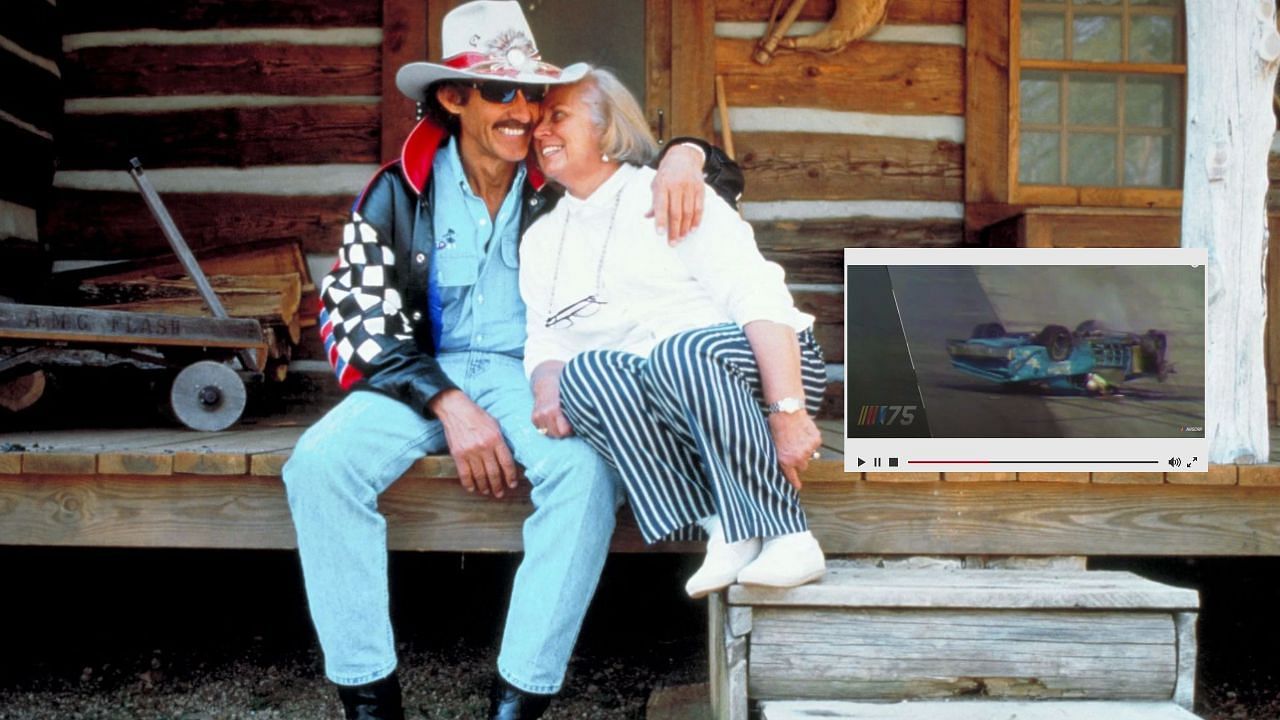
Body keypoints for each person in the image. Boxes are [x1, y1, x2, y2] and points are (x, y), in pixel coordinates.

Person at [280, 3, 742, 719]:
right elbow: (353, 316)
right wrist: (448, 403)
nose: (525, 111)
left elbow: (696, 177)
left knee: (586, 476)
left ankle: (519, 697)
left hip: (534, 372)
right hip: (421, 377)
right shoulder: (395, 192)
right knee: (317, 465)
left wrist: (688, 152)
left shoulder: (559, 169)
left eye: (533, 93)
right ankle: (369, 697)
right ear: (454, 98)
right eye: (502, 92)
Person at [519, 67, 828, 602]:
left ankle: (789, 535)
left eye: (559, 117)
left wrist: (788, 410)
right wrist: (548, 385)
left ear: (608, 126)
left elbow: (758, 298)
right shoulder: (543, 236)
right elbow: (547, 340)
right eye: (538, 122)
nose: (542, 131)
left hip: (761, 368)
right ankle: (723, 528)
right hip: (668, 394)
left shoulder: (670, 193)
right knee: (586, 373)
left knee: (678, 351)